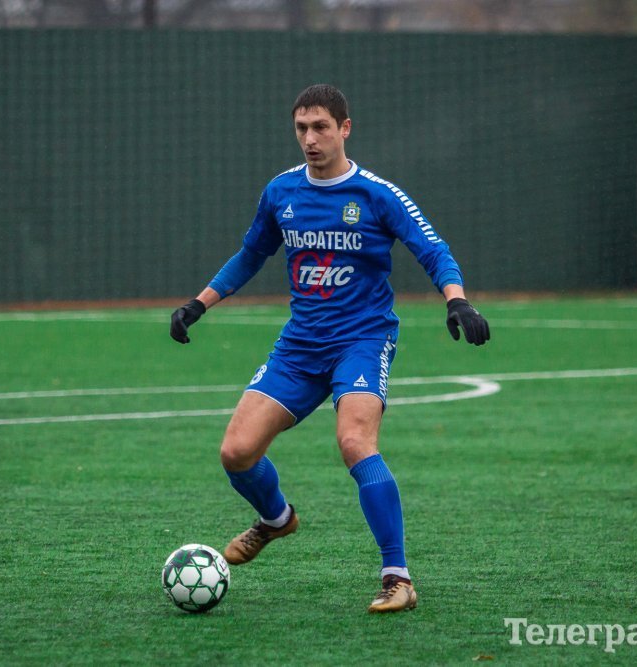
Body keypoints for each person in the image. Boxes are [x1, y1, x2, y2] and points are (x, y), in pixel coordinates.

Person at [170, 84, 489, 613]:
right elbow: (250, 254)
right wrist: (198, 304)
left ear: (345, 128)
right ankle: (276, 519)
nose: (310, 139)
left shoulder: (377, 194)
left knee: (355, 442)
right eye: (301, 128)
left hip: (362, 339)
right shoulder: (281, 192)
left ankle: (398, 578)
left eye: (320, 127)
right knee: (236, 452)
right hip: (300, 345)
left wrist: (457, 301)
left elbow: (433, 249)